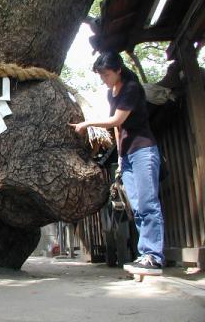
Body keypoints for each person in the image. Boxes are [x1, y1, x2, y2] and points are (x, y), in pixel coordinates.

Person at [68, 51, 164, 276]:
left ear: (118, 70)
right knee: (137, 207)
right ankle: (146, 255)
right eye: (100, 75)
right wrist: (120, 157)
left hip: (143, 150)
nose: (103, 79)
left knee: (148, 204)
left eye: (105, 74)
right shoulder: (113, 92)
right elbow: (118, 129)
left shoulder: (131, 88)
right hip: (128, 155)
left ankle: (154, 257)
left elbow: (116, 121)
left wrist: (87, 123)